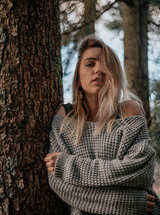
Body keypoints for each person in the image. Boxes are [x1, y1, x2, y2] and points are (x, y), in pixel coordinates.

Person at [44, 35, 160, 215]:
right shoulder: (66, 116)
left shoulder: (128, 110)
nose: (99, 70)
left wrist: (68, 165)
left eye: (106, 65)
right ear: (78, 74)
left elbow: (141, 171)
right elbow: (59, 184)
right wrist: (128, 202)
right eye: (90, 64)